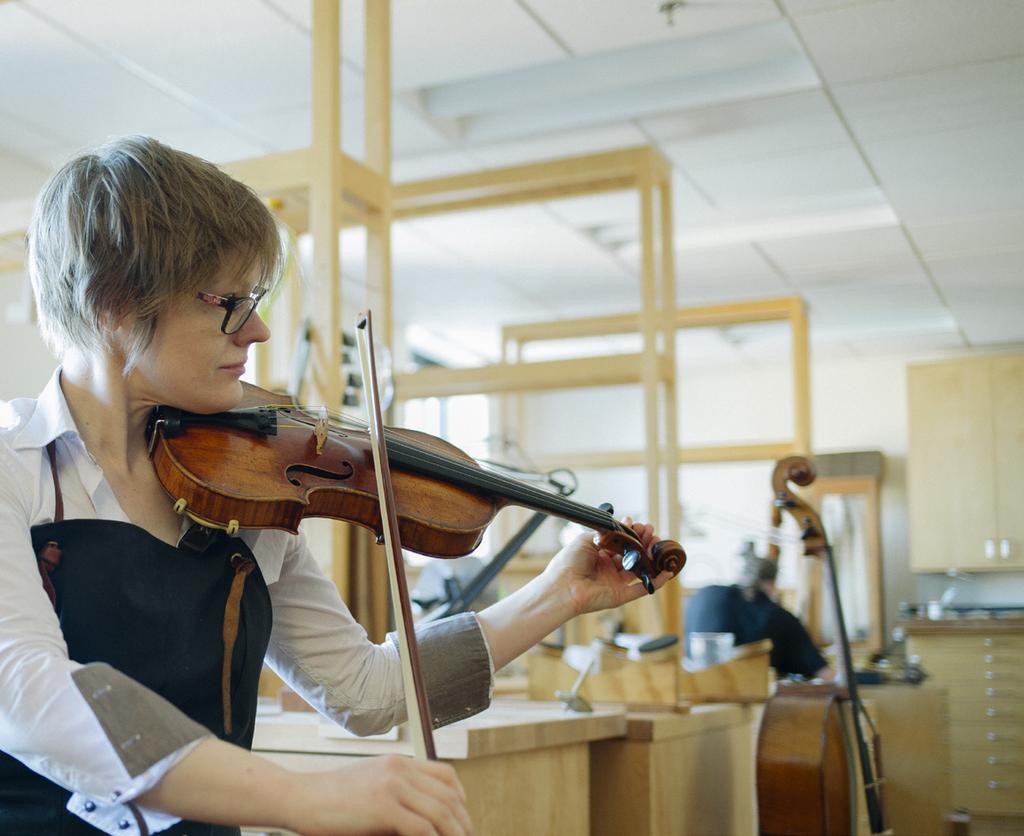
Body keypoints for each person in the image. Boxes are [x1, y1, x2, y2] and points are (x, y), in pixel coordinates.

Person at [0, 136, 673, 836]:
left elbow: (364, 690)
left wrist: (560, 594)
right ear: (114, 302)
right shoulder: (12, 465)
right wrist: (304, 798)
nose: (257, 329)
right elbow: (24, 689)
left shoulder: (245, 489)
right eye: (229, 302)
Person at [684, 550, 834, 681]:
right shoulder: (778, 616)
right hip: (746, 698)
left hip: (695, 688)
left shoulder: (704, 595)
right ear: (771, 584)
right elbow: (824, 673)